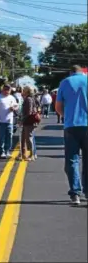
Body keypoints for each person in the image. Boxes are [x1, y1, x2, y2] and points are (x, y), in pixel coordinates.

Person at [55, 65, 87, 205]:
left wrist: (65, 116)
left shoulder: (65, 82)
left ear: (70, 72)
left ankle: (75, 193)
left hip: (71, 125)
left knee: (72, 160)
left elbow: (58, 106)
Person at [0, 84, 19, 159]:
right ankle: (1, 152)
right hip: (1, 121)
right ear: (3, 89)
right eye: (6, 89)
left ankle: (7, 151)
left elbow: (17, 105)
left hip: (10, 121)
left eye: (9, 90)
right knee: (1, 137)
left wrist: (14, 108)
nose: (7, 91)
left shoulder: (12, 98)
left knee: (9, 137)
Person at [19, 86, 37, 161]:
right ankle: (23, 154)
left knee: (29, 138)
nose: (22, 91)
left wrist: (22, 120)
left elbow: (29, 112)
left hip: (29, 122)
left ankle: (32, 155)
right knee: (24, 138)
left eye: (24, 90)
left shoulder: (29, 99)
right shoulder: (28, 98)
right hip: (27, 122)